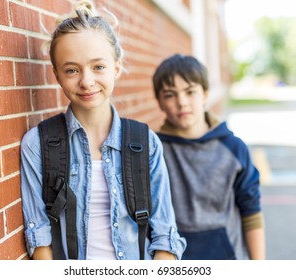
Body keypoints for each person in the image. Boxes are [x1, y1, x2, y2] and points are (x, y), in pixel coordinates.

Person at [19, 0, 186, 260]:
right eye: (72, 70)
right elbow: (40, 241)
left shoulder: (145, 143)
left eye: (98, 67)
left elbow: (165, 236)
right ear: (56, 75)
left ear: (116, 68)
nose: (87, 81)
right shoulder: (38, 144)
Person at [152, 54, 265, 260]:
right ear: (159, 102)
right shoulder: (154, 151)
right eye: (170, 95)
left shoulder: (233, 148)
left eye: (190, 92)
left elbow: (251, 212)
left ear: (205, 94)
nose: (182, 102)